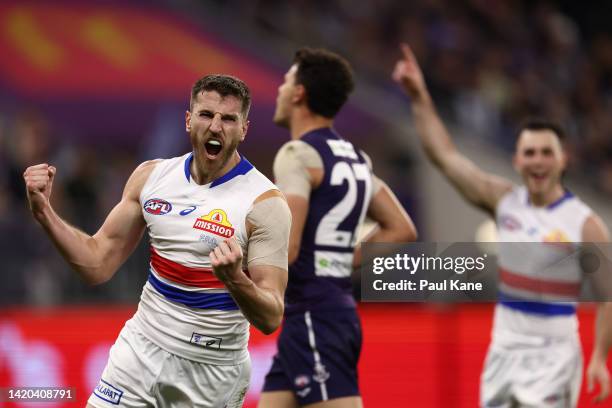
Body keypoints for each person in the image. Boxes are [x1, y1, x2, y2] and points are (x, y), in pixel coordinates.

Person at [23, 74, 292, 407]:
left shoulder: (264, 204)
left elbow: (271, 317)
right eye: (206, 115)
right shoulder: (151, 178)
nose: (216, 127)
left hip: (212, 371)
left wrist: (235, 279)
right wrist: (44, 214)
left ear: (243, 129)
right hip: (140, 350)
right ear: (188, 119)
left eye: (228, 119)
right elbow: (96, 263)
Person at [392, 43, 612, 407]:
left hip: (554, 357)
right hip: (503, 353)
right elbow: (445, 157)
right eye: (530, 153)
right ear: (517, 159)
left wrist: (600, 359)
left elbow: (608, 297)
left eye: (546, 153)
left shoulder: (585, 223)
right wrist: (419, 97)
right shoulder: (503, 200)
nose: (537, 161)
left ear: (563, 160)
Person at [258, 48, 417, 408]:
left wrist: (235, 277)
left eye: (286, 82)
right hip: (326, 312)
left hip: (314, 316)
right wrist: (339, 262)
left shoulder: (296, 155)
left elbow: (289, 247)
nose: (280, 90)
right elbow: (401, 228)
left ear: (299, 93)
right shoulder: (357, 159)